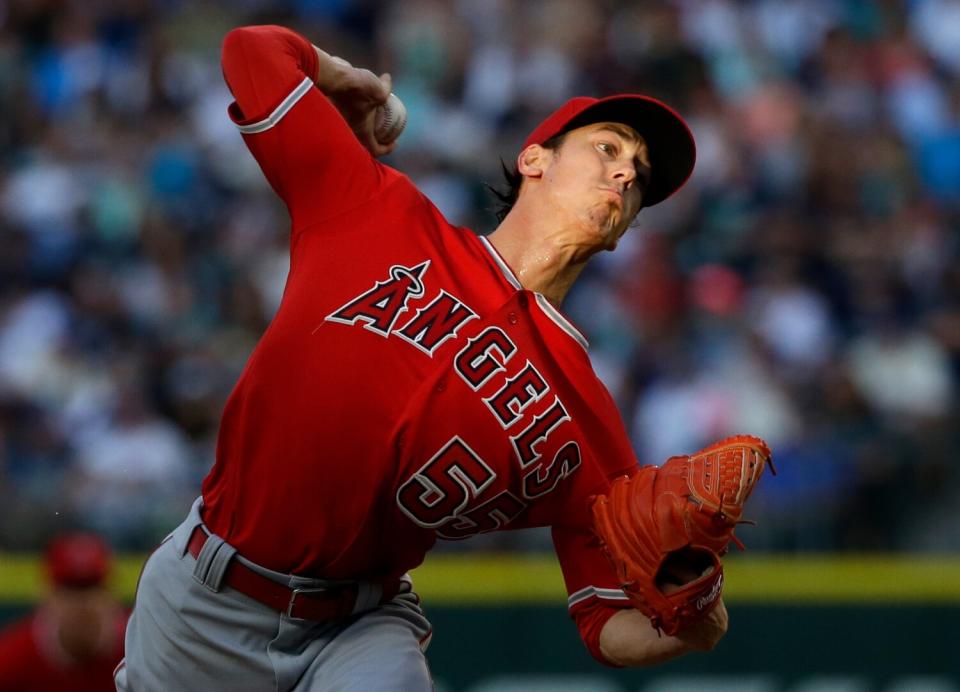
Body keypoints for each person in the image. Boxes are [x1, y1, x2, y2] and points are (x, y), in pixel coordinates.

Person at [117, 24, 724, 691]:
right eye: (608, 148)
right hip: (204, 603)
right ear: (534, 160)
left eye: (638, 178)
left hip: (358, 627)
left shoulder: (587, 418)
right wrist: (341, 76)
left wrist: (697, 623)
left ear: (626, 232)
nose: (625, 172)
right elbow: (248, 52)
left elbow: (606, 625)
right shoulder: (377, 208)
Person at [0, 533, 127, 692]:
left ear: (111, 593)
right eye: (69, 588)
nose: (81, 602)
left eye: (91, 587)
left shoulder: (137, 648)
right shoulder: (13, 658)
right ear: (46, 595)